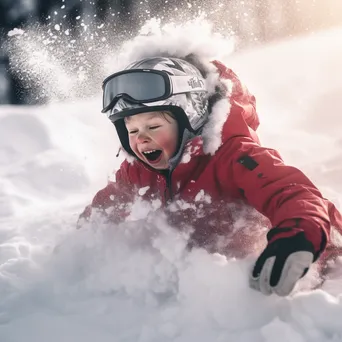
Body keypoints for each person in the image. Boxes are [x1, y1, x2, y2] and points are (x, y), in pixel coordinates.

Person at [78, 55, 342, 297]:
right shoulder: (138, 172)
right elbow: (104, 211)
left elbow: (289, 191)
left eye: (154, 126)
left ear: (189, 120)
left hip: (312, 257)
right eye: (131, 131)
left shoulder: (234, 156)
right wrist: (81, 244)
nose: (141, 138)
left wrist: (296, 235)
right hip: (225, 283)